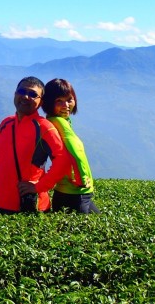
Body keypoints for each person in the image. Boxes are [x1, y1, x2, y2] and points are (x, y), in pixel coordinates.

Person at [0, 76, 71, 213]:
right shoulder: (6, 123)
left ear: (40, 102)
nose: (26, 97)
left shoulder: (44, 127)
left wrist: (40, 186)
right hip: (1, 204)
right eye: (22, 92)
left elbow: (63, 160)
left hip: (33, 207)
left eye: (33, 94)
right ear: (15, 94)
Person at [39, 78, 100, 214]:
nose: (65, 105)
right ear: (49, 103)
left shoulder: (56, 121)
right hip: (75, 193)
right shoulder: (60, 123)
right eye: (58, 101)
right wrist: (82, 179)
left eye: (69, 99)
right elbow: (75, 151)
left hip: (65, 191)